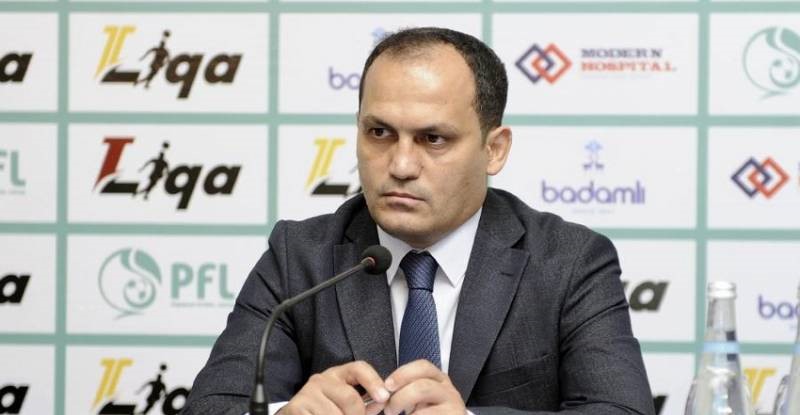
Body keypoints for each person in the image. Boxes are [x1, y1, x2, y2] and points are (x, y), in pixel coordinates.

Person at [184, 27, 655, 415]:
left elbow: (622, 410)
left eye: (433, 139)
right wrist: (284, 414)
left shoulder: (569, 262)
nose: (401, 165)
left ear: (494, 149)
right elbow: (211, 406)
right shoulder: (299, 257)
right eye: (379, 132)